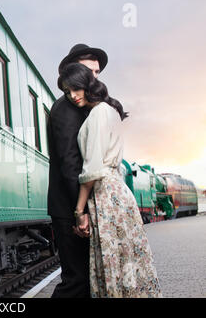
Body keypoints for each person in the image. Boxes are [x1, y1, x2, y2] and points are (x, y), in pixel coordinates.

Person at [58, 62, 163, 298]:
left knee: (111, 263)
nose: (72, 96)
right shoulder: (111, 110)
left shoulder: (98, 113)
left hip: (106, 194)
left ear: (87, 84)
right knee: (128, 261)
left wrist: (79, 210)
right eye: (67, 92)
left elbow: (92, 169)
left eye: (75, 88)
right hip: (118, 192)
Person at [47, 44, 108, 298]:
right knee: (76, 282)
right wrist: (79, 212)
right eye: (89, 70)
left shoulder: (83, 107)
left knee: (83, 282)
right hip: (69, 207)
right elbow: (70, 165)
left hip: (76, 205)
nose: (94, 76)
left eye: (97, 72)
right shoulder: (66, 109)